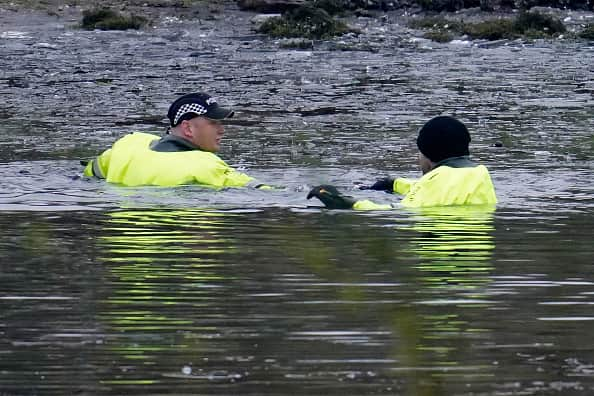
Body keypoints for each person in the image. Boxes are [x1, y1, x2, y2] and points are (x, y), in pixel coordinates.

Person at [307, 115, 497, 210]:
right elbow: (440, 191)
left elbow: (395, 212)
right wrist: (395, 183)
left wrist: (343, 201)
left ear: (428, 155)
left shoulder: (437, 179)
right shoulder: (479, 173)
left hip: (438, 242)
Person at [83, 92, 268, 189]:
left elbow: (88, 175)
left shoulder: (129, 144)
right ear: (188, 128)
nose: (222, 129)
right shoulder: (207, 166)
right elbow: (262, 191)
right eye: (213, 122)